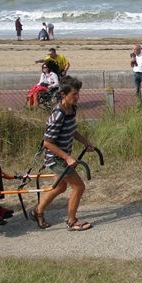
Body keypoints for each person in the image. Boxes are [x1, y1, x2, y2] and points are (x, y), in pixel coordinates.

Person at [29, 76, 95, 231]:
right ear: (63, 94)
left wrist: (85, 142)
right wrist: (67, 157)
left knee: (59, 188)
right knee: (79, 187)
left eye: (78, 94)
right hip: (57, 159)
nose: (77, 97)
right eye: (74, 94)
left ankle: (37, 212)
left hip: (62, 157)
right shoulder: (57, 114)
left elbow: (71, 129)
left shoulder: (72, 108)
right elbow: (47, 143)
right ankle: (71, 222)